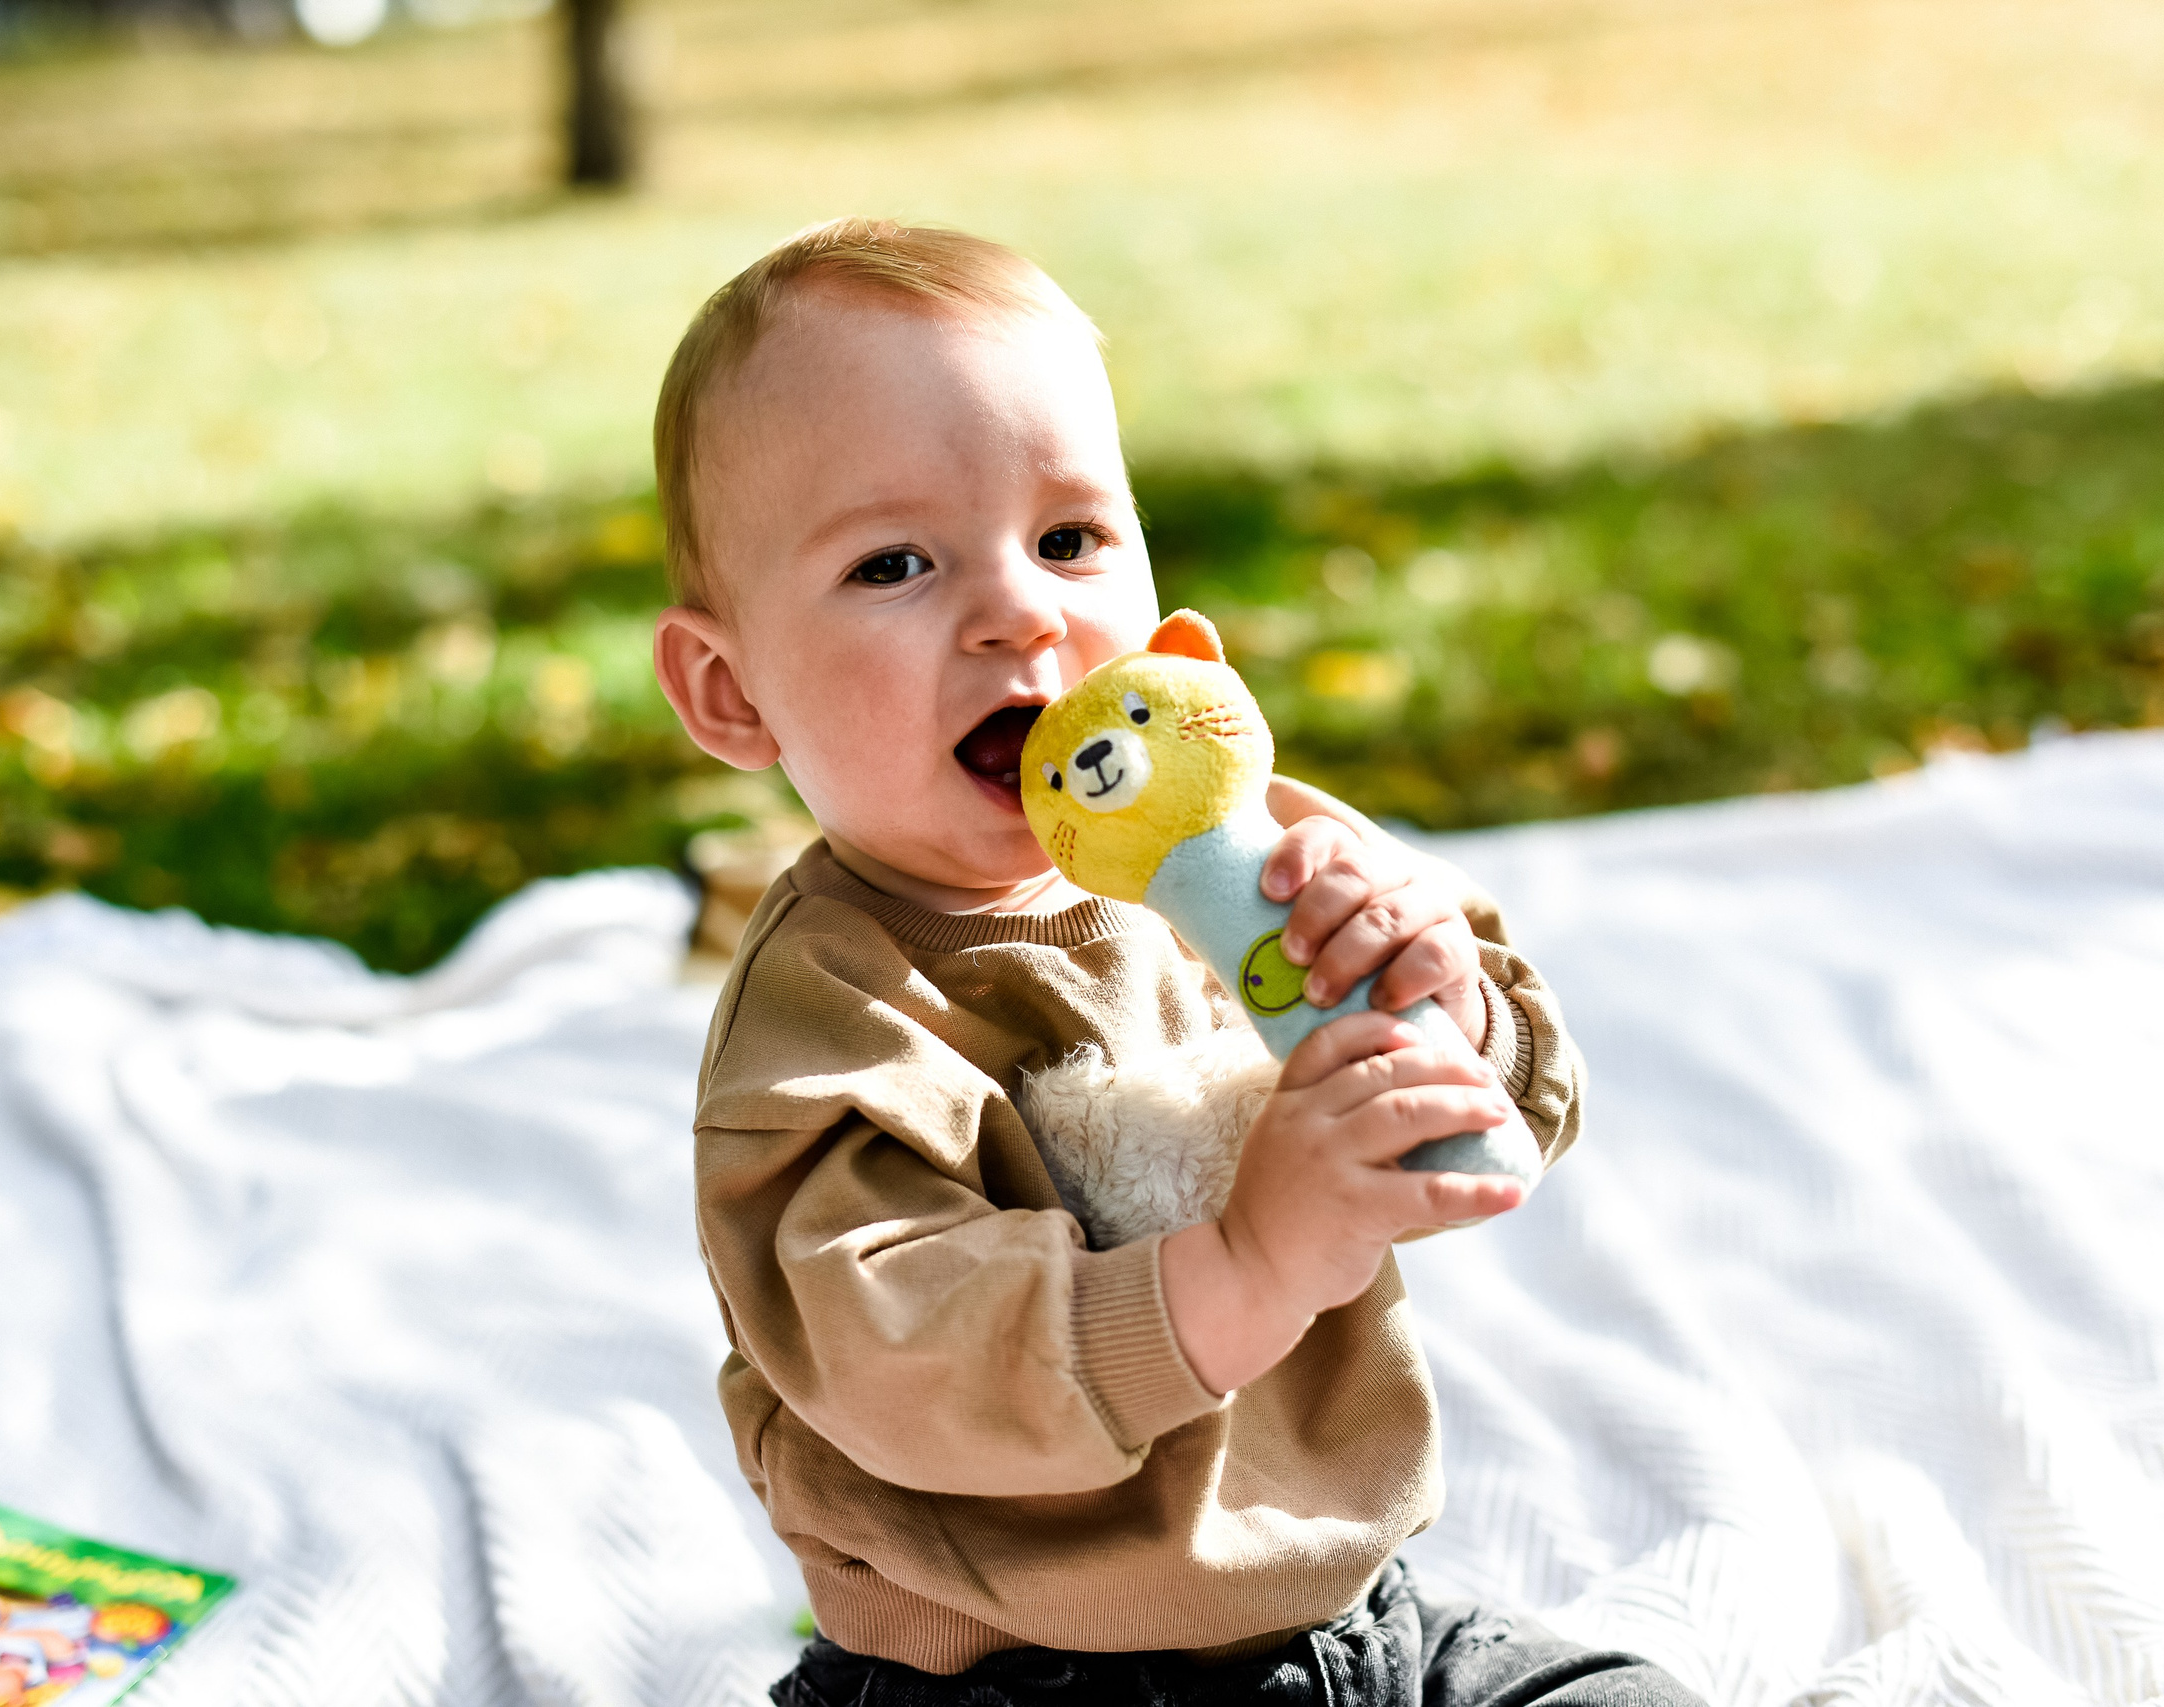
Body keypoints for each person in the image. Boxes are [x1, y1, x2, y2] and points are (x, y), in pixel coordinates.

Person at [649, 217, 1703, 1707]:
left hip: (1351, 1625)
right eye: (896, 563)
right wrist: (1247, 1266)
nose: (1020, 609)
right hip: (1011, 1673)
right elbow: (921, 1367)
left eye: (1069, 539)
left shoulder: (1248, 853)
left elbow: (1501, 1121)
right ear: (730, 689)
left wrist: (1439, 1001)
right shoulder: (830, 1032)